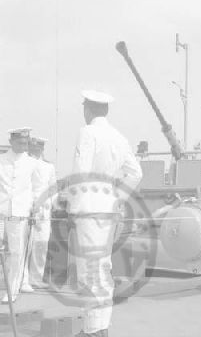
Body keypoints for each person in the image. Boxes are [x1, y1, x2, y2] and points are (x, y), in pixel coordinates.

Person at [70, 90, 142, 337]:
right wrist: (118, 198)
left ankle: (92, 331)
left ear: (87, 109)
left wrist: (73, 208)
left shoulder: (87, 132)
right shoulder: (119, 137)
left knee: (89, 269)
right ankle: (100, 327)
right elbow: (136, 173)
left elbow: (81, 172)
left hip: (89, 210)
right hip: (108, 210)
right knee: (102, 267)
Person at [0, 128, 41, 303]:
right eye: (20, 143)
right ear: (11, 141)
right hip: (1, 211)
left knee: (17, 252)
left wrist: (34, 206)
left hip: (19, 213)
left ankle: (12, 290)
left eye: (26, 143)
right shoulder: (1, 160)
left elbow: (38, 188)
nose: (24, 146)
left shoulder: (32, 163)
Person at [22, 137, 57, 291]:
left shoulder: (48, 166)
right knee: (25, 245)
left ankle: (36, 278)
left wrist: (49, 203)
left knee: (41, 244)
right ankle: (22, 280)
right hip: (28, 208)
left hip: (44, 210)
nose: (36, 150)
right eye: (33, 147)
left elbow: (53, 188)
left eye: (39, 148)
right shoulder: (24, 164)